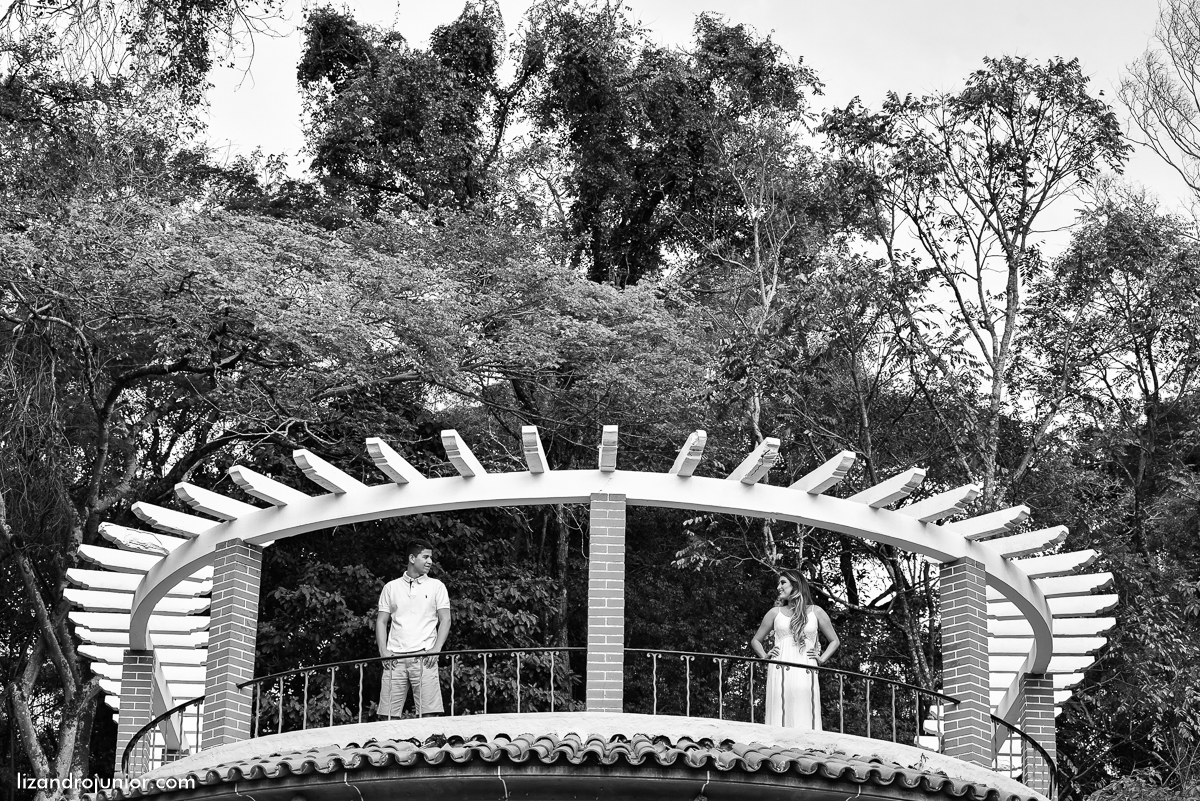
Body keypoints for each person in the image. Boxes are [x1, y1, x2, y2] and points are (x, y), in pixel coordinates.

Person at [750, 569, 839, 729]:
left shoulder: (816, 612)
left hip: (806, 667)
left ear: (796, 584)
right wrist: (764, 655)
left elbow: (834, 641)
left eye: (783, 582)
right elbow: (756, 640)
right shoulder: (774, 613)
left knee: (804, 705)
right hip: (780, 665)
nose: (778, 587)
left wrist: (822, 658)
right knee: (781, 708)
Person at [376, 539, 452, 718]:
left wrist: (436, 649)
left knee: (429, 715)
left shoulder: (437, 586)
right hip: (394, 659)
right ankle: (388, 747)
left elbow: (446, 619)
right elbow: (381, 622)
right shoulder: (391, 587)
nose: (430, 561)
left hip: (425, 657)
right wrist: (383, 651)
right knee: (387, 717)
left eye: (430, 557)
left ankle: (428, 747)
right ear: (412, 558)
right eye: (425, 557)